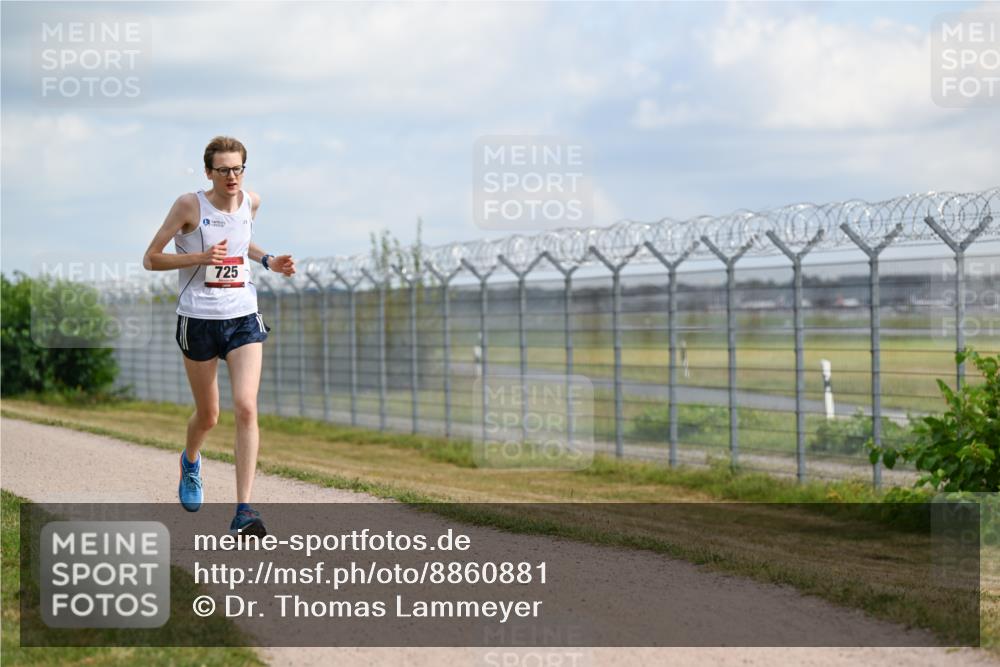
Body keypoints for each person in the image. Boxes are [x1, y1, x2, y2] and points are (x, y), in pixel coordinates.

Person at [142, 136, 295, 536]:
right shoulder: (189, 205)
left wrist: (268, 260)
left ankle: (244, 509)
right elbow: (151, 258)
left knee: (246, 407)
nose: (232, 176)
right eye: (223, 169)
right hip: (198, 319)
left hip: (242, 315)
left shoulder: (252, 202)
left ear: (245, 169)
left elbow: (240, 243)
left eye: (238, 168)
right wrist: (199, 257)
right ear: (208, 171)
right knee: (209, 415)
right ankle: (191, 460)